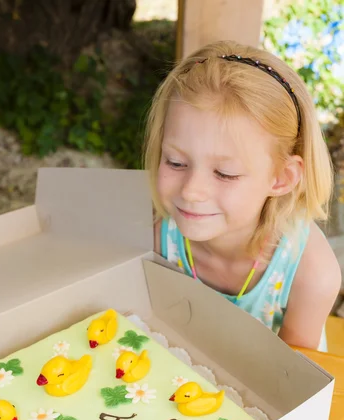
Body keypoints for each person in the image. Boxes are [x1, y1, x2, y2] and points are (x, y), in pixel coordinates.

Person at [145, 40, 342, 351]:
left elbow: (291, 381)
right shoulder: (157, 238)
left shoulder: (311, 273)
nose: (191, 191)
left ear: (281, 178)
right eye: (176, 162)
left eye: (225, 173)